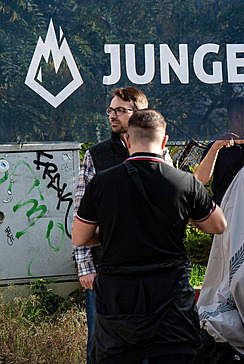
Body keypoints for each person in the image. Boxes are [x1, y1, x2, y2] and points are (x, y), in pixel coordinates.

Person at [72, 109, 227, 364]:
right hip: (171, 303)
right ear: (165, 141)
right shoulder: (185, 183)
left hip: (118, 303)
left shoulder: (101, 182)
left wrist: (114, 231)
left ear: (128, 141)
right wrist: (181, 214)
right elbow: (218, 225)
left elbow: (80, 237)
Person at [73, 86, 172, 363]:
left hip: (152, 271)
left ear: (139, 115)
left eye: (120, 110)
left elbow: (172, 209)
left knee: (151, 346)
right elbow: (80, 214)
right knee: (101, 348)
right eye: (111, 110)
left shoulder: (162, 156)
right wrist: (85, 267)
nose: (112, 115)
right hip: (105, 271)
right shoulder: (96, 155)